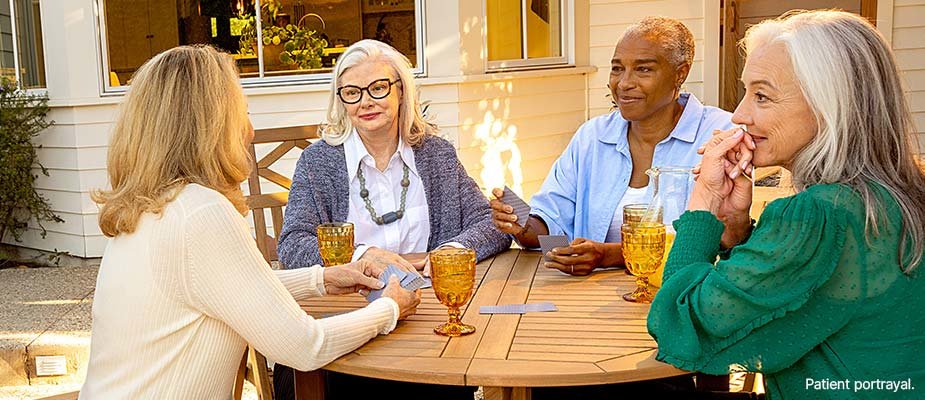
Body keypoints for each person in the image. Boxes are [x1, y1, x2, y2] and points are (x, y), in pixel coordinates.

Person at [79, 45, 420, 399]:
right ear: (212, 127)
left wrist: (322, 278)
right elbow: (305, 346)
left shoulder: (154, 206)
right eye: (242, 114)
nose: (251, 131)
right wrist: (389, 308)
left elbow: (230, 287)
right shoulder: (201, 213)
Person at [648, 10, 925, 400]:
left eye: (762, 95)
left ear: (830, 106)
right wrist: (737, 231)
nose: (740, 115)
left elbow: (682, 324)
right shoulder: (901, 191)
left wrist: (703, 205)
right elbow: (804, 300)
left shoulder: (821, 215)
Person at [274, 39, 509, 399]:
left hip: (425, 321)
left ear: (401, 91)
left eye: (378, 88)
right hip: (346, 327)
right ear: (341, 101)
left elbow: (489, 223)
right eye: (352, 92)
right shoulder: (319, 162)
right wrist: (362, 256)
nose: (365, 101)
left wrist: (445, 255)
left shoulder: (434, 153)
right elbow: (293, 246)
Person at [490, 16, 733, 276]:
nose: (624, 83)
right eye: (617, 68)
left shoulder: (718, 134)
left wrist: (608, 255)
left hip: (676, 295)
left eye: (644, 69)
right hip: (589, 299)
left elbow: (719, 241)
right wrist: (523, 227)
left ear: (680, 73)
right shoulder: (591, 137)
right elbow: (552, 228)